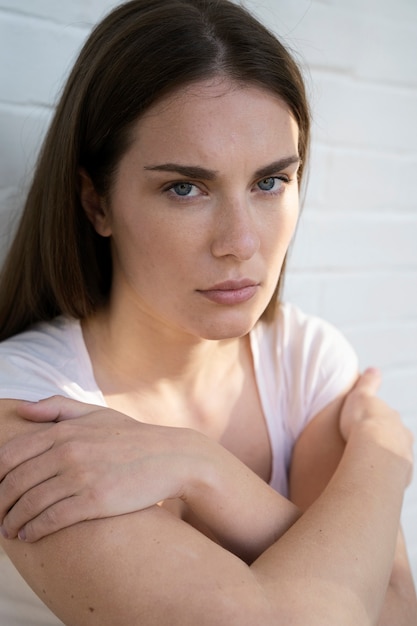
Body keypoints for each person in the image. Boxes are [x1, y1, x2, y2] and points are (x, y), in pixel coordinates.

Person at [0, 0, 415, 624]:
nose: (241, 243)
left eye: (270, 181)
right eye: (185, 188)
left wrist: (200, 467)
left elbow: (396, 610)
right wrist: (383, 458)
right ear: (96, 203)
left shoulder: (305, 358)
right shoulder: (24, 404)